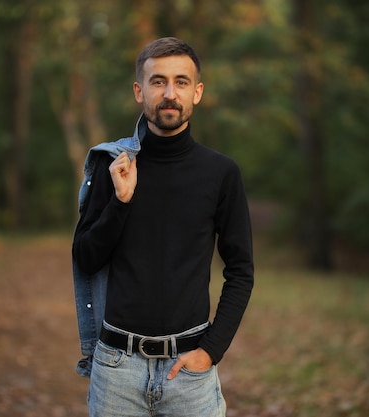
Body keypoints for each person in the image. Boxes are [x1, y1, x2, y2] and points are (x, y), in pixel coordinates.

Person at [72, 37, 254, 417]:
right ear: (140, 91)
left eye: (181, 82)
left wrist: (211, 350)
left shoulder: (221, 173)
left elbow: (240, 272)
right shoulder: (115, 167)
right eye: (158, 82)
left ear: (197, 92)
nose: (170, 93)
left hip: (189, 372)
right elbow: (86, 259)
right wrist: (121, 203)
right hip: (117, 370)